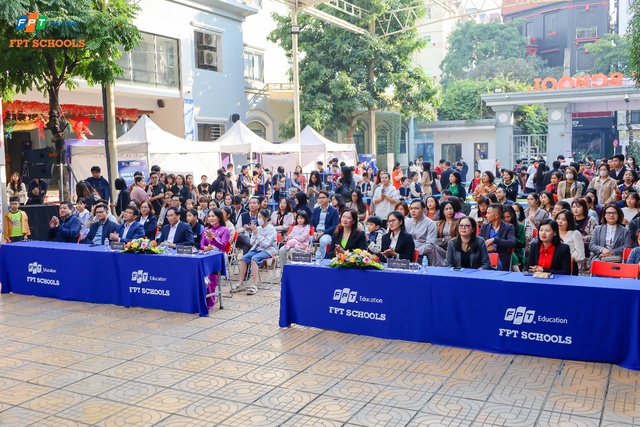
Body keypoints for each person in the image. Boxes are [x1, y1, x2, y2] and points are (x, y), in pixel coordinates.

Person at [235, 209, 278, 295]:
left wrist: (257, 234)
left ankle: (254, 285)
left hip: (269, 250)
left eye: (260, 217)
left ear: (266, 218)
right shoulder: (258, 228)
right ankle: (241, 283)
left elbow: (266, 244)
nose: (258, 219)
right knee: (244, 259)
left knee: (254, 259)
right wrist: (253, 232)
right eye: (258, 217)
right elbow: (251, 243)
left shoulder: (271, 229)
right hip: (258, 249)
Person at [200, 208, 231, 309]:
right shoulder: (205, 229)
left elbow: (222, 246)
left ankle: (210, 303)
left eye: (213, 216)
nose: (211, 218)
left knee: (211, 280)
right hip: (205, 256)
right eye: (209, 216)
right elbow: (201, 245)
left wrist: (212, 239)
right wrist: (206, 248)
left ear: (219, 217)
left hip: (217, 258)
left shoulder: (224, 230)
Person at [479, 203, 516, 271]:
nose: (486, 215)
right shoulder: (485, 226)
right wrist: (486, 247)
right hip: (485, 256)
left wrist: (495, 240)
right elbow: (478, 241)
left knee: (498, 265)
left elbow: (512, 242)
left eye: (488, 213)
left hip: (501, 257)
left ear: (496, 215)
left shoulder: (508, 227)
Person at [556, 209, 584, 275]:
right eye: (558, 219)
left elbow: (580, 254)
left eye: (563, 220)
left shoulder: (575, 233)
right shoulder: (553, 233)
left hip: (570, 264)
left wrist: (570, 257)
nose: (560, 221)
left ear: (569, 222)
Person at [434, 200, 459, 265]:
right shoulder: (440, 223)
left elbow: (460, 237)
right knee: (434, 248)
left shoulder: (458, 222)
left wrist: (448, 240)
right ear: (443, 211)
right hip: (442, 246)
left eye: (450, 208)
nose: (449, 211)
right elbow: (436, 237)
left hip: (454, 246)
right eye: (446, 209)